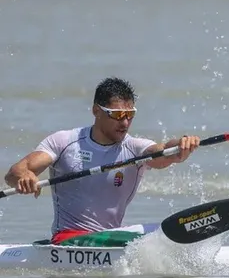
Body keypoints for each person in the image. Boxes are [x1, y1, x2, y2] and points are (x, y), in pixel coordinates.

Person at [3, 77, 200, 245]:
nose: (124, 123)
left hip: (113, 238)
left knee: (165, 230)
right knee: (161, 237)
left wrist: (181, 146)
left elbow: (164, 152)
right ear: (96, 111)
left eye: (130, 115)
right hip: (68, 239)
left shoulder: (134, 148)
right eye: (117, 115)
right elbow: (15, 173)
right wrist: (26, 176)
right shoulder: (64, 142)